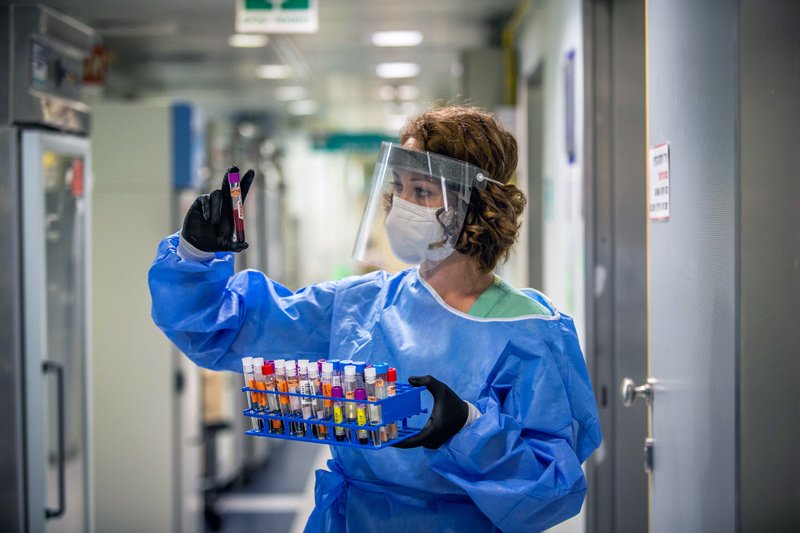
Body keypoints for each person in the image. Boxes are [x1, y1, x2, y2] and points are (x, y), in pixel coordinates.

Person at [148, 105, 601, 532]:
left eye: (420, 191)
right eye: (397, 188)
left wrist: (467, 428)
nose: (400, 205)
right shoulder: (360, 306)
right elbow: (217, 330)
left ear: (475, 207)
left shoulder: (528, 331)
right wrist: (195, 253)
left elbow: (550, 491)